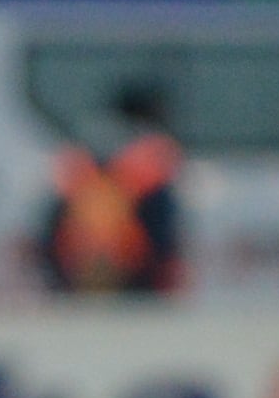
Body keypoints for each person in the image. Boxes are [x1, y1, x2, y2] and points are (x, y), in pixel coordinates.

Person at [35, 77, 188, 298]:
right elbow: (164, 241)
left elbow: (49, 234)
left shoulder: (81, 163)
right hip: (134, 287)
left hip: (77, 286)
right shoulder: (152, 166)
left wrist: (60, 282)